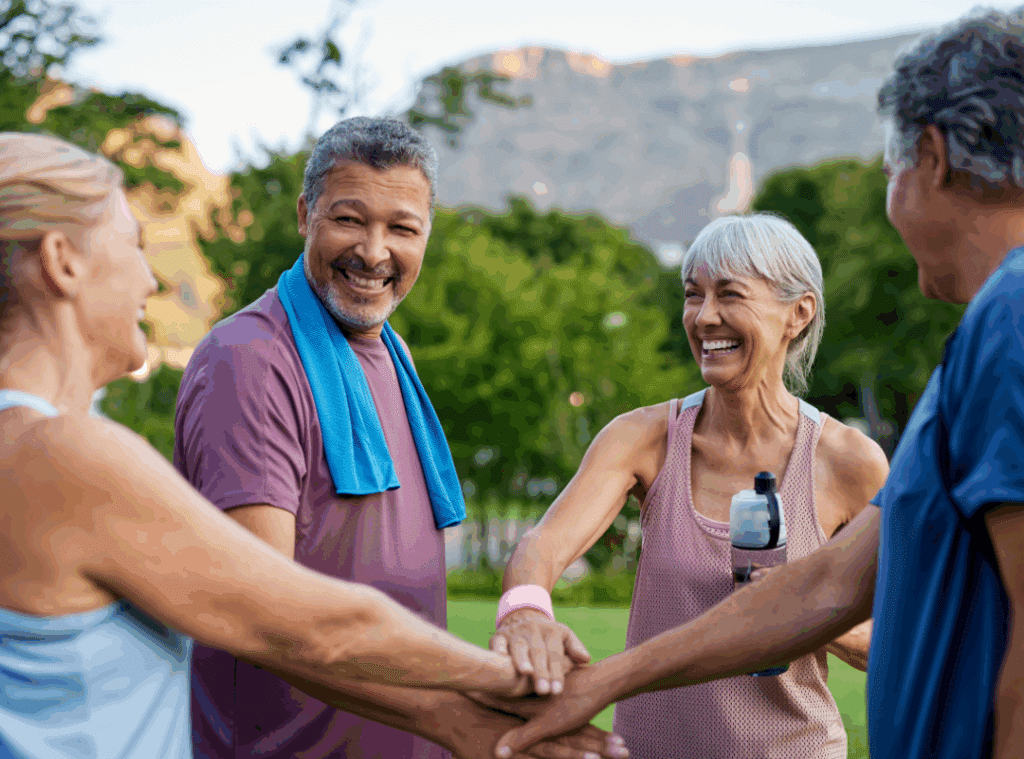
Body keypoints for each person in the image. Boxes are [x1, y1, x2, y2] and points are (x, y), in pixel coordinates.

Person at [493, 7, 1024, 759]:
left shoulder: (1011, 321)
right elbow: (827, 587)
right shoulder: (988, 333)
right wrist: (604, 678)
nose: (704, 316)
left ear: (931, 159)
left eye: (890, 171)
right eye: (691, 292)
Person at [0, 132, 628, 759]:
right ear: (62, 260)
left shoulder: (41, 447)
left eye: (403, 227)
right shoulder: (63, 452)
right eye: (133, 243)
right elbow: (298, 623)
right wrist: (521, 684)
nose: (153, 276)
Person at [490, 212, 885, 758]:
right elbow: (544, 544)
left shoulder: (848, 462)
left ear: (798, 313)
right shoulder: (643, 438)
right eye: (692, 295)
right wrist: (526, 610)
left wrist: (791, 598)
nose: (705, 317)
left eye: (730, 295)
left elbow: (893, 637)